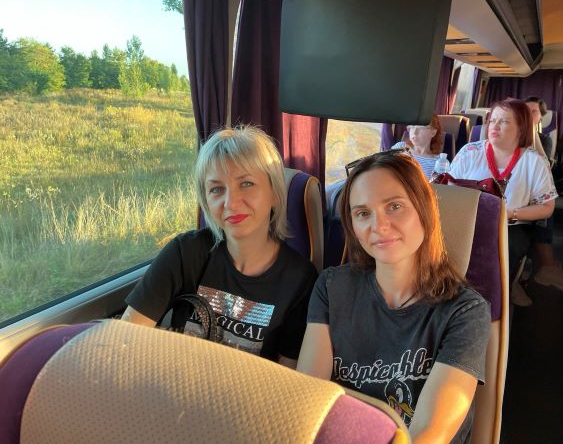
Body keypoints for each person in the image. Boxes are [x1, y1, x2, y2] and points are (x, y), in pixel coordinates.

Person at [297, 151, 490, 443]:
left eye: (394, 206)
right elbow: (309, 400)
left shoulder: (465, 312)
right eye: (363, 213)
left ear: (424, 210)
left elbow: (428, 435)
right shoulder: (332, 287)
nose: (378, 226)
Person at [122, 126, 318, 367]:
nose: (230, 203)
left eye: (246, 183)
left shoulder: (300, 279)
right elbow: (126, 340)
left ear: (275, 193)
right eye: (216, 189)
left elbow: (289, 375)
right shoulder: (185, 252)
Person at [449, 98, 557, 306]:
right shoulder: (470, 152)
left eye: (504, 121)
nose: (494, 126)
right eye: (492, 120)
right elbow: (448, 190)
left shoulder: (533, 161)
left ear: (521, 128)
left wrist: (510, 214)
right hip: (466, 222)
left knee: (498, 253)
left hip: (511, 226)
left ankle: (491, 304)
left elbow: (547, 207)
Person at [524, 97, 563, 296]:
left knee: (543, 202)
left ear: (540, 118)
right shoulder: (509, 134)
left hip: (531, 189)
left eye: (534, 112)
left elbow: (544, 165)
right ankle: (546, 266)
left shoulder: (544, 140)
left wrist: (532, 133)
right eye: (525, 110)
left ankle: (547, 266)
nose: (528, 114)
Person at [391, 114, 444, 179]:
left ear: (433, 133)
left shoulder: (439, 162)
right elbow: (382, 167)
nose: (414, 132)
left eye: (421, 128)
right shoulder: (400, 147)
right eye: (412, 127)